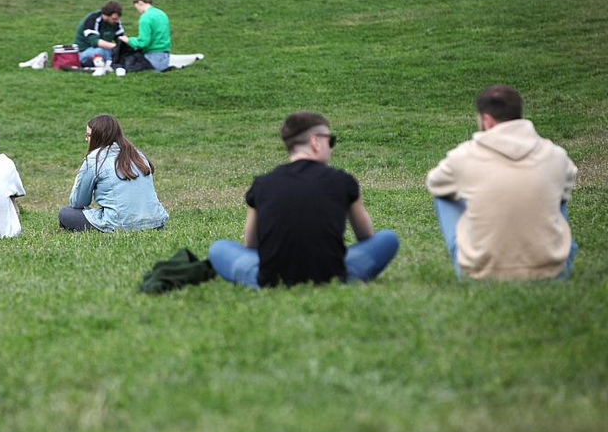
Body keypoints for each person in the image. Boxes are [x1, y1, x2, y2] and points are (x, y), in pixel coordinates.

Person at [208, 112, 399, 288]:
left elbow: (251, 244)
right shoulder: (343, 180)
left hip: (272, 280)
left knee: (218, 248)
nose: (330, 147)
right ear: (315, 142)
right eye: (330, 140)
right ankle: (343, 278)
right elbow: (365, 236)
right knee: (387, 238)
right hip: (331, 276)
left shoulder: (262, 184)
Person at [426, 84, 578, 280]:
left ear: (487, 120)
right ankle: (555, 256)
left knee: (443, 197)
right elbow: (567, 184)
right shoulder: (556, 156)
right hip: (552, 272)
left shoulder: (463, 156)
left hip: (483, 273)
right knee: (557, 197)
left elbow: (434, 183)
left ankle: (477, 257)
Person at [59, 114, 168, 232]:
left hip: (120, 225)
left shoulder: (94, 159)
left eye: (89, 135)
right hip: (156, 223)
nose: (87, 139)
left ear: (99, 137)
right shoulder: (138, 154)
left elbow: (78, 202)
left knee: (66, 213)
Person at [121, 0, 171, 71]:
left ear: (139, 3)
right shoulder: (162, 14)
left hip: (152, 58)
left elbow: (143, 43)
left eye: (136, 6)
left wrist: (128, 40)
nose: (137, 10)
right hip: (165, 58)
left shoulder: (145, 18)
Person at [74, 0, 128, 65]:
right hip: (85, 51)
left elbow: (121, 38)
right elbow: (95, 42)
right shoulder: (92, 19)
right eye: (114, 19)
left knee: (123, 52)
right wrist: (116, 47)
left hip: (105, 49)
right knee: (101, 51)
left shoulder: (115, 22)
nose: (116, 21)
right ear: (105, 15)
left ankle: (111, 62)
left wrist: (128, 46)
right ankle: (112, 63)